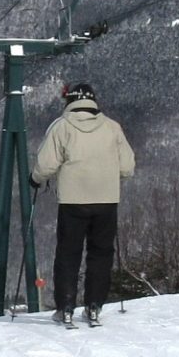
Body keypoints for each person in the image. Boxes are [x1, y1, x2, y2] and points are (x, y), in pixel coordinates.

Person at [30, 82, 135, 327]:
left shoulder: (62, 127)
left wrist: (35, 179)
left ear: (70, 101)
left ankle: (65, 307)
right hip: (107, 200)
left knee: (68, 254)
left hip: (72, 201)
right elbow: (127, 167)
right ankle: (94, 305)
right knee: (101, 254)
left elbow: (46, 165)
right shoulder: (112, 127)